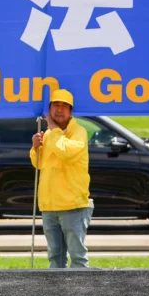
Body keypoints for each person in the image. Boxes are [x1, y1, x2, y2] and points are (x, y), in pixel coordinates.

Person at [29, 89, 91, 269]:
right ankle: (55, 295)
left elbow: (66, 154)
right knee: (55, 257)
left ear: (71, 112)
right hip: (49, 205)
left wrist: (54, 131)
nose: (59, 110)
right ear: (49, 108)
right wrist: (35, 148)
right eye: (56, 105)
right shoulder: (48, 135)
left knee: (77, 257)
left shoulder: (79, 132)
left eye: (65, 106)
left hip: (72, 205)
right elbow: (39, 164)